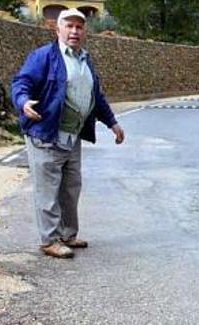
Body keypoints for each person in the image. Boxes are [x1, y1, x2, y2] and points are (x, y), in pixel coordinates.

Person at [11, 8, 125, 259]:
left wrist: (112, 123)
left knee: (71, 189)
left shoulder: (84, 59)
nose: (74, 31)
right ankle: (50, 240)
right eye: (69, 26)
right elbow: (22, 83)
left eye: (79, 27)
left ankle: (68, 234)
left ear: (85, 31)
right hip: (46, 133)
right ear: (58, 29)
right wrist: (23, 102)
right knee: (47, 190)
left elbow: (96, 96)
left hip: (72, 136)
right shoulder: (43, 56)